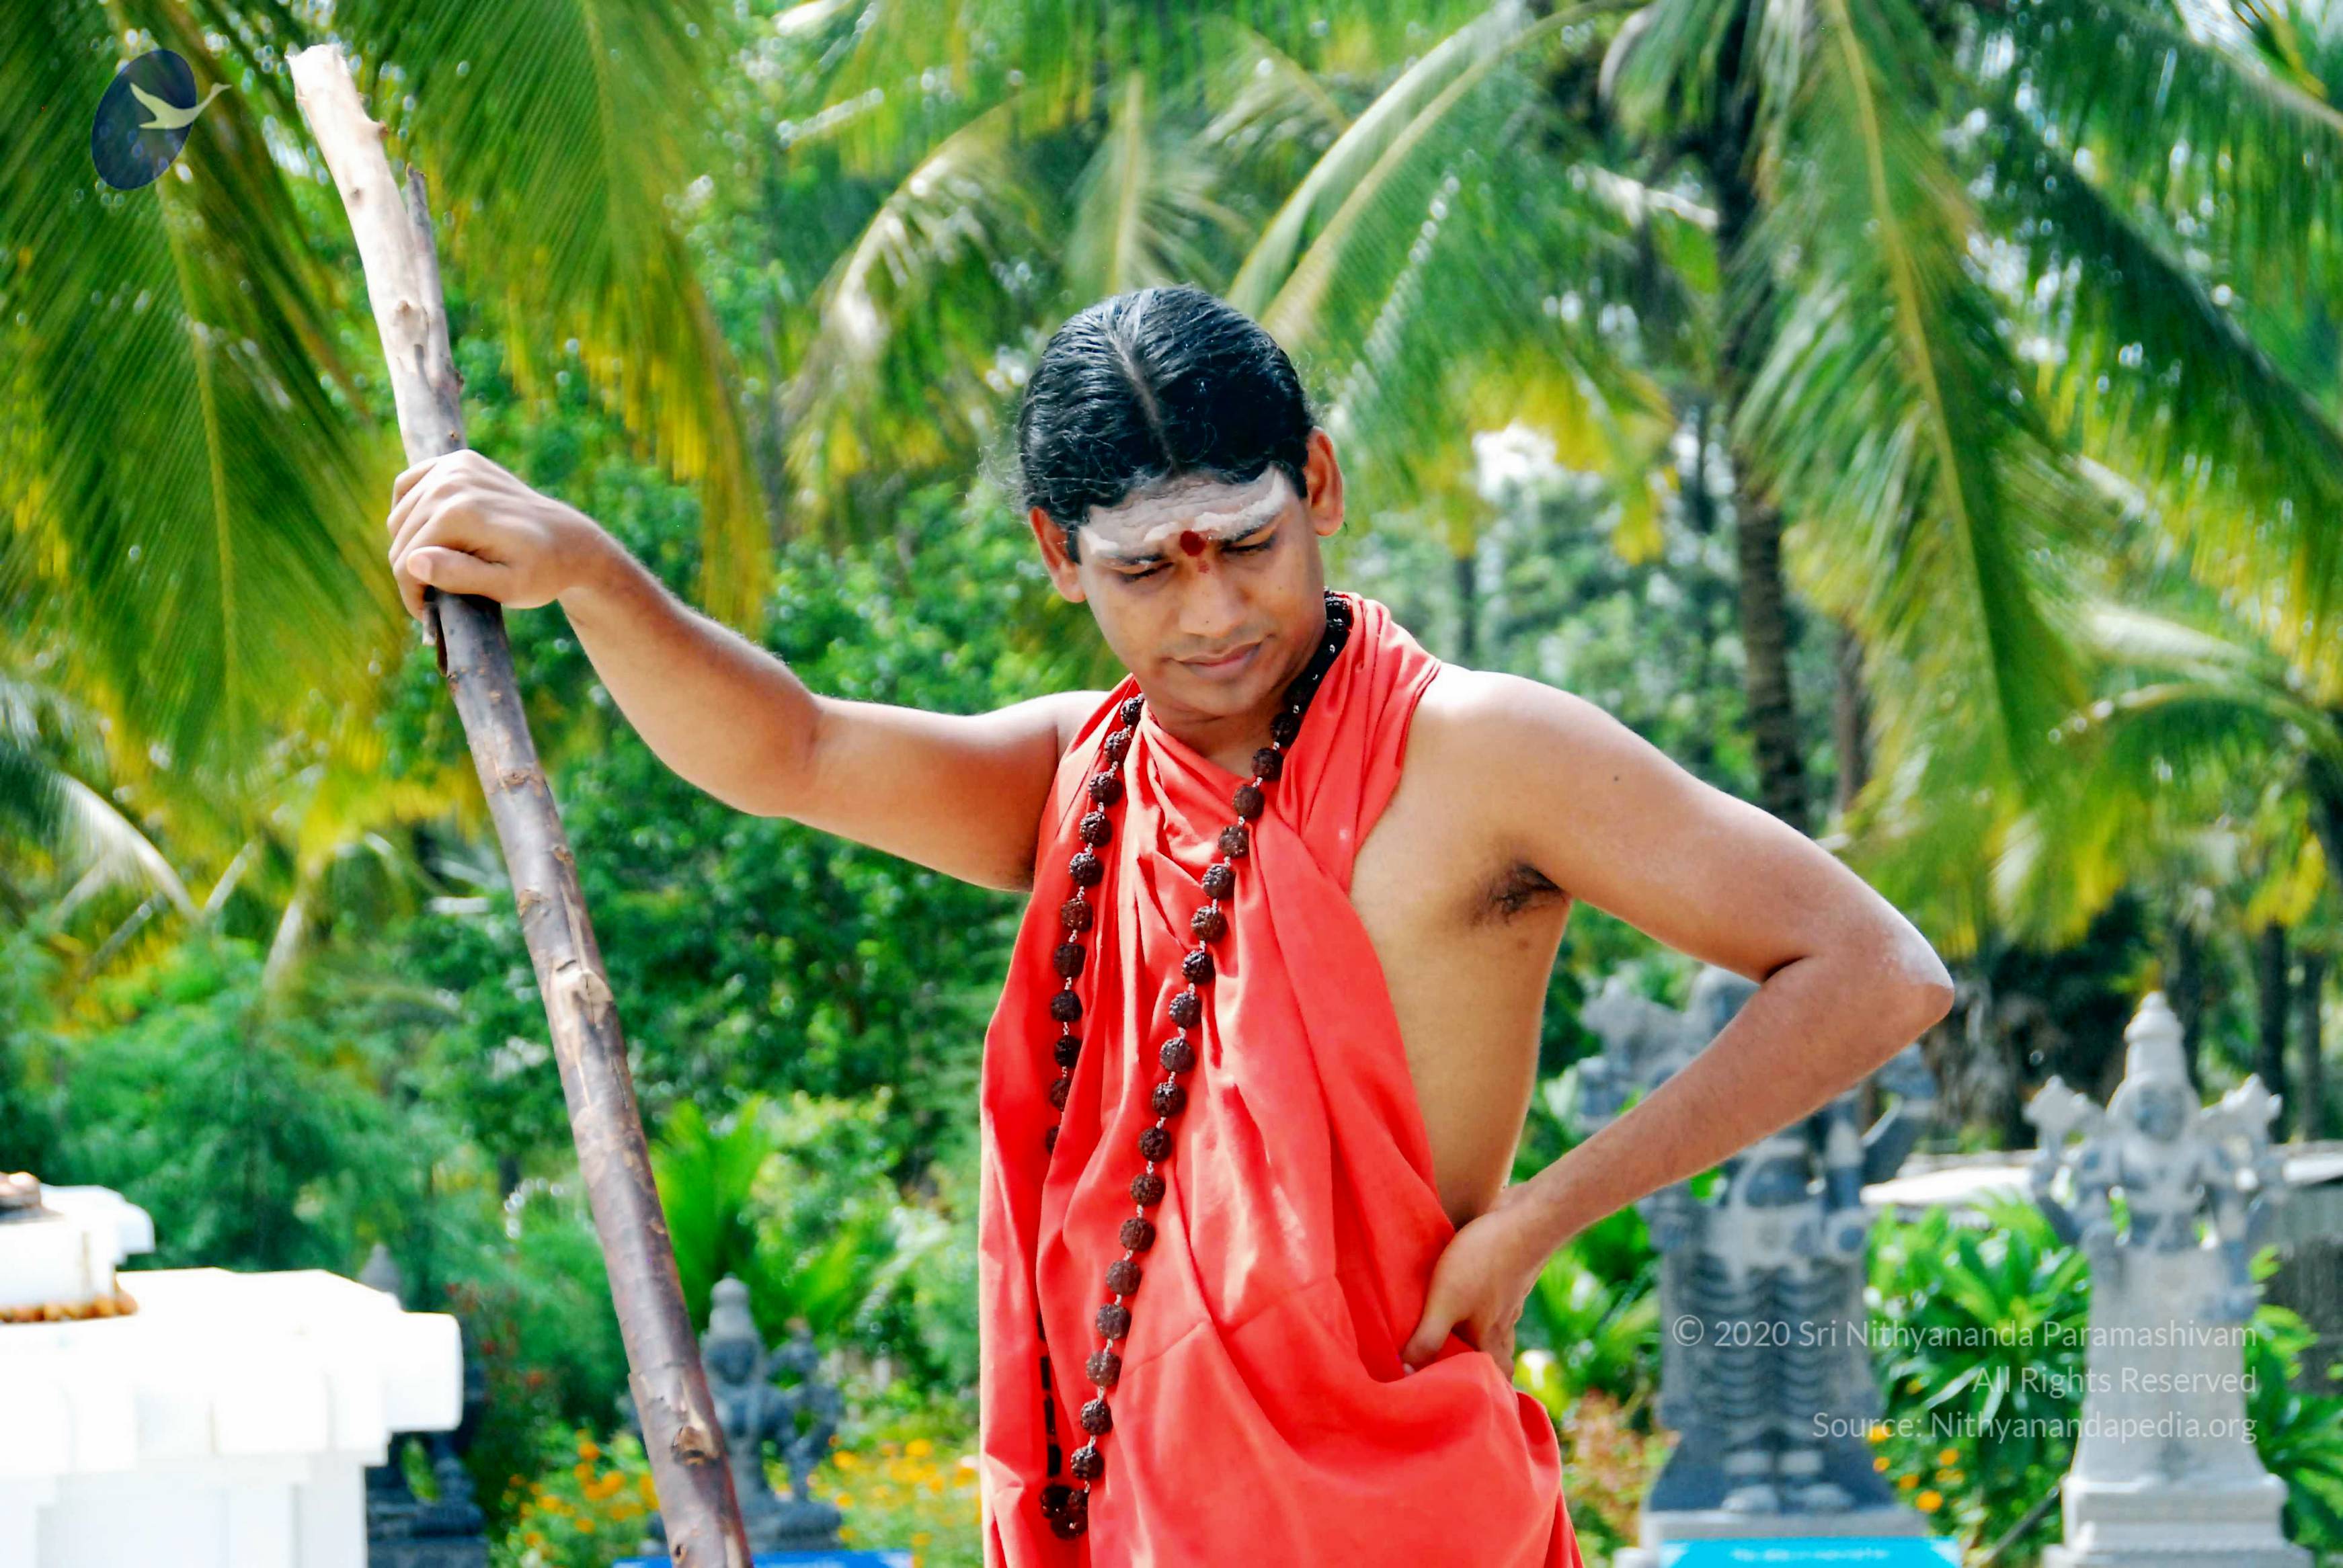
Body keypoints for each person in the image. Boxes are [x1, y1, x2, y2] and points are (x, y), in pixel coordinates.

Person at [383, 284, 1956, 1565]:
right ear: (1057, 555)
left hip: (1405, 1505)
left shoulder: (1484, 751)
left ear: (1319, 484)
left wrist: (1536, 1220)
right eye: (1144, 570)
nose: (1211, 615)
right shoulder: (1077, 777)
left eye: (1248, 545)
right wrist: (596, 578)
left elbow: (1875, 971)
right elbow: (788, 750)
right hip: (1133, 1511)